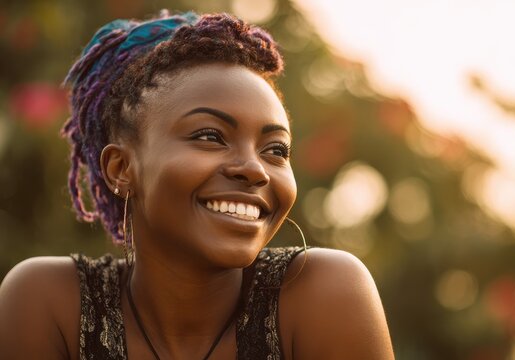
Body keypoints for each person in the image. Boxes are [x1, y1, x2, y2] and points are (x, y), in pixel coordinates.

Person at [0, 11, 394, 360]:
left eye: (275, 149)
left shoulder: (322, 295)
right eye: (210, 136)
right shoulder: (48, 304)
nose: (255, 170)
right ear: (121, 168)